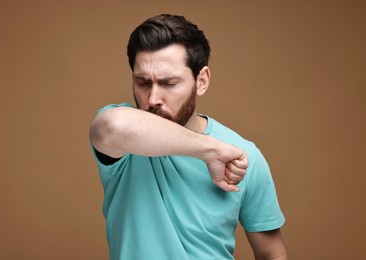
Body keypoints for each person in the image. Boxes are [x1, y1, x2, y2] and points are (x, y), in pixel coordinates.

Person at [89, 14, 287, 260]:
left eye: (169, 83)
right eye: (142, 82)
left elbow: (272, 254)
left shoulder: (244, 155)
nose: (152, 99)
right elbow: (114, 127)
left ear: (201, 81)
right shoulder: (124, 142)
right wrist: (210, 151)